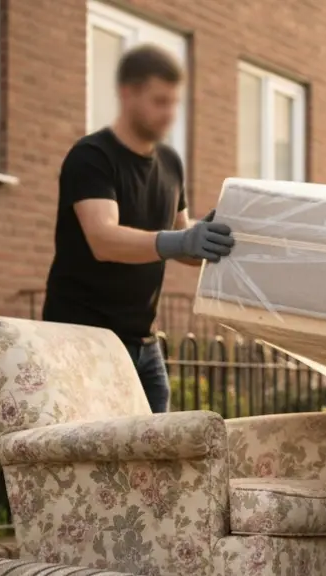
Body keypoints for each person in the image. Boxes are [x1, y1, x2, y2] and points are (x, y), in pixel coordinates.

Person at [42, 45, 234, 413]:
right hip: (82, 340)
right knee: (98, 458)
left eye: (174, 103)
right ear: (127, 93)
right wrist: (181, 240)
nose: (170, 114)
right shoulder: (91, 157)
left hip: (145, 346)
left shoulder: (170, 163)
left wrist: (214, 236)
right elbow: (103, 239)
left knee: (154, 459)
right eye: (160, 101)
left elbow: (183, 238)